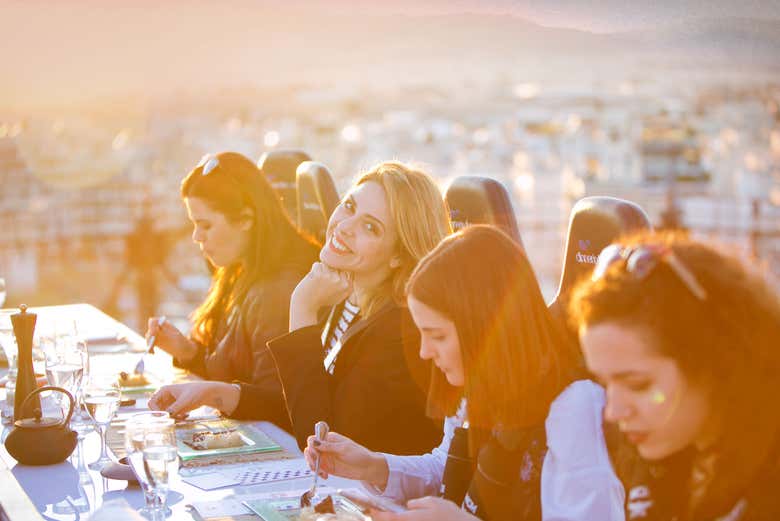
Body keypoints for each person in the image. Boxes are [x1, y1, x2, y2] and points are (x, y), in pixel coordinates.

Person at [303, 225, 624, 520]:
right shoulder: (480, 382)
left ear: (484, 329)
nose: (425, 352)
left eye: (438, 336)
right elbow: (448, 470)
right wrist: (373, 466)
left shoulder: (574, 407)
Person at [150, 161, 450, 454]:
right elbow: (306, 402)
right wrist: (215, 393)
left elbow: (321, 438)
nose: (345, 226)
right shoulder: (349, 298)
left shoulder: (400, 330)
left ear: (398, 254)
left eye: (370, 227)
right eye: (349, 206)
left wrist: (302, 308)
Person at [569, 231, 780, 520]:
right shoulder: (661, 456)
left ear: (713, 362)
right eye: (605, 383)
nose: (614, 412)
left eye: (638, 385)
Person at [145, 151, 319, 384]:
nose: (196, 237)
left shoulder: (278, 291)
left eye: (205, 225)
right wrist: (186, 351)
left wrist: (213, 394)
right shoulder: (241, 268)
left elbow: (274, 401)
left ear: (246, 219)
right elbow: (233, 375)